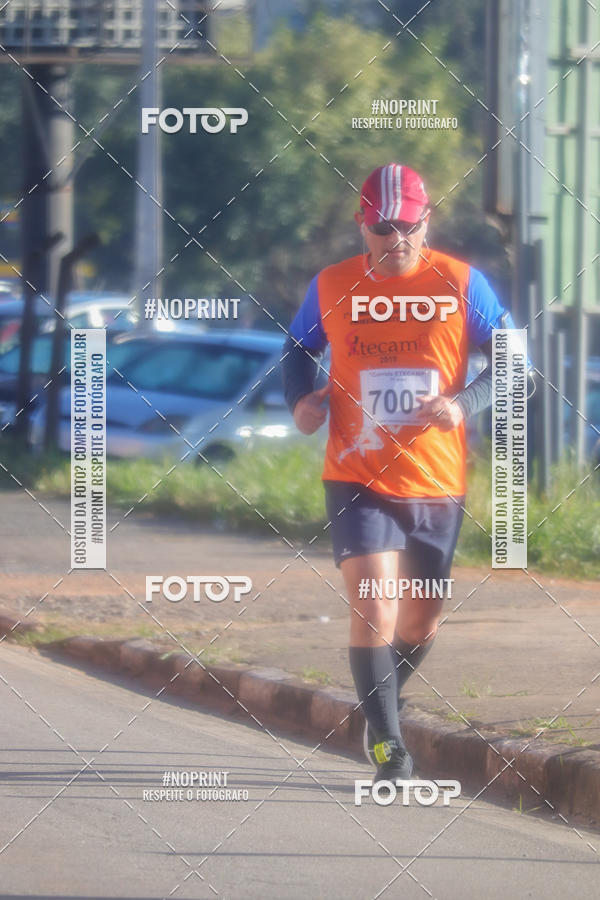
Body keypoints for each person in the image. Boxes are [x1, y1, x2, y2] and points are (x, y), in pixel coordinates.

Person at [282, 163, 518, 783]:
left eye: (408, 226)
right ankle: (390, 747)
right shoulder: (332, 284)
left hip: (437, 480)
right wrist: (301, 401)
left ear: (426, 221)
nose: (396, 240)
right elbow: (298, 349)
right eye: (383, 228)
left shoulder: (462, 283)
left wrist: (462, 404)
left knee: (420, 621)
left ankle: (375, 703)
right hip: (357, 475)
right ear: (364, 225)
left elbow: (514, 364)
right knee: (375, 608)